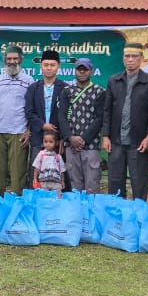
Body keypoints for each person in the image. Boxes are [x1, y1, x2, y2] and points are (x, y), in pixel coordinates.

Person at [102, 43, 148, 200]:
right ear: (123, 59)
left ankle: (138, 216)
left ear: (141, 58)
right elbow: (107, 110)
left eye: (134, 56)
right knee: (115, 182)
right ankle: (116, 216)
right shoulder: (114, 80)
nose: (130, 60)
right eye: (127, 56)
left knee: (138, 181)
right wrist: (105, 136)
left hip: (139, 141)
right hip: (116, 140)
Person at [0, 46, 33, 195]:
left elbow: (31, 109)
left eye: (15, 58)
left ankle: (17, 204)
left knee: (18, 173)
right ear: (4, 60)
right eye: (9, 59)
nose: (12, 62)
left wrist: (28, 130)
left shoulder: (29, 81)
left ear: (21, 59)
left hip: (19, 132)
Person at [58, 58, 107, 194]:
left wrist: (83, 138)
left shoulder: (99, 91)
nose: (81, 72)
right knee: (75, 185)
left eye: (84, 69)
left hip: (91, 145)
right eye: (79, 69)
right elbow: (61, 115)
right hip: (71, 145)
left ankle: (90, 214)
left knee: (92, 184)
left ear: (91, 71)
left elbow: (100, 118)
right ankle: (77, 214)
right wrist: (70, 137)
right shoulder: (67, 91)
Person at [26, 50, 67, 186]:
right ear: (41, 67)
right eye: (46, 65)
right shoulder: (33, 88)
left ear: (58, 66)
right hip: (38, 137)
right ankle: (35, 200)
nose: (49, 68)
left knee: (57, 172)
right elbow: (29, 111)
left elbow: (67, 114)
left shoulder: (65, 88)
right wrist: (42, 125)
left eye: (52, 65)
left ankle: (58, 202)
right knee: (36, 172)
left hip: (57, 139)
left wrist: (61, 137)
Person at [32, 128, 67, 195]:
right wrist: (35, 179)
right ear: (43, 141)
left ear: (56, 143)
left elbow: (62, 171)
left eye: (51, 142)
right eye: (46, 141)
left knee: (58, 197)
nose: (48, 144)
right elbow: (36, 168)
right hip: (43, 182)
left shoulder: (58, 157)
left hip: (56, 183)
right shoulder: (41, 154)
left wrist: (62, 181)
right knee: (44, 197)